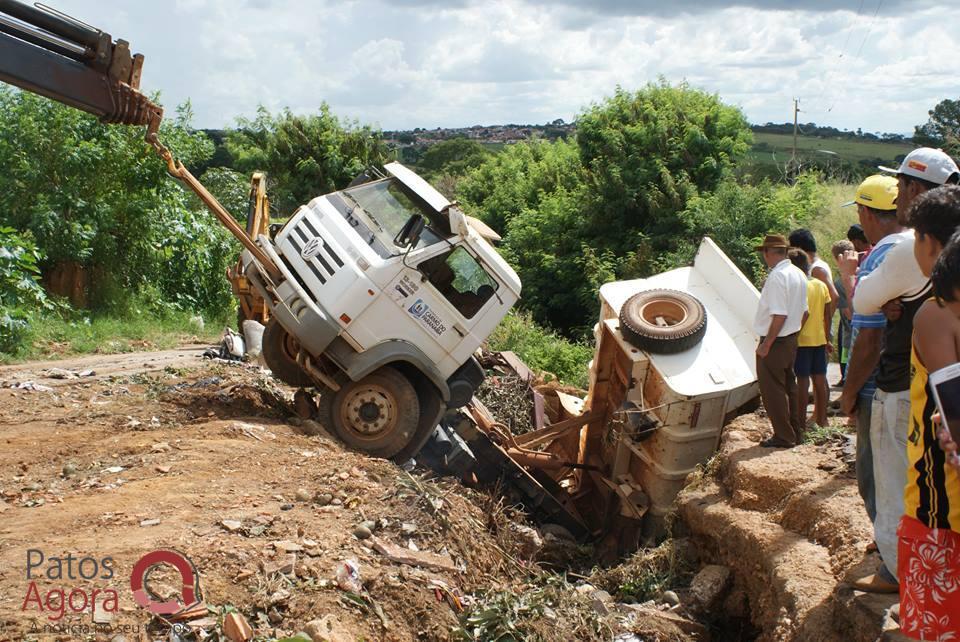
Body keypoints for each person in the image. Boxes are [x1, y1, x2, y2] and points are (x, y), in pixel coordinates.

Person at [847, 150, 960, 594]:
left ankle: (903, 577)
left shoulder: (933, 313)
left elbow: (862, 303)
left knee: (903, 488)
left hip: (911, 405)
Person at [898, 187, 960, 639]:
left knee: (934, 627)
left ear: (931, 244)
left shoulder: (937, 314)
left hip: (939, 504)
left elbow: (953, 412)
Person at [837, 175, 900, 556]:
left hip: (878, 388)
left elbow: (868, 340)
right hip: (905, 382)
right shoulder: (915, 246)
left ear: (866, 212)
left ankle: (891, 559)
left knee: (875, 477)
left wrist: (848, 394)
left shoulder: (881, 255)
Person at [753, 233, 809, 448]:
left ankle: (784, 436)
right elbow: (805, 312)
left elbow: (779, 314)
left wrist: (767, 343)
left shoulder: (777, 277)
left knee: (772, 390)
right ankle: (796, 431)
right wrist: (794, 334)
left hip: (775, 340)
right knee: (789, 387)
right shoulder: (798, 273)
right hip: (790, 338)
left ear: (768, 253)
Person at [788, 248, 832, 430]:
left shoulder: (798, 285)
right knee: (820, 380)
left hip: (802, 340)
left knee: (803, 381)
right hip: (819, 339)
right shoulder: (820, 285)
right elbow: (827, 314)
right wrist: (827, 337)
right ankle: (822, 419)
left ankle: (800, 422)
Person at [832, 239, 855, 385]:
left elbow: (848, 312)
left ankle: (846, 379)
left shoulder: (840, 282)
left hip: (850, 329)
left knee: (847, 354)